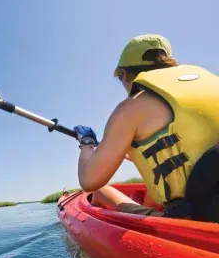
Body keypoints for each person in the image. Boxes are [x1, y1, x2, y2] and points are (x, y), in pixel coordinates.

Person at [73, 34, 219, 222]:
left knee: (100, 191)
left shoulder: (132, 107)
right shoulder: (210, 84)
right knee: (152, 192)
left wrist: (87, 144)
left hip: (197, 218)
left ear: (126, 74)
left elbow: (89, 180)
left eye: (120, 78)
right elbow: (188, 149)